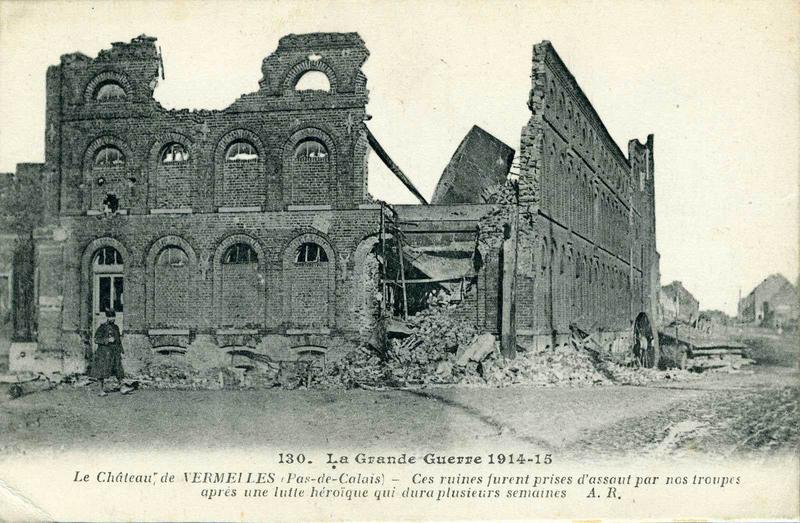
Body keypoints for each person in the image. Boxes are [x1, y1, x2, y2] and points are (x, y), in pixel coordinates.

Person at [91, 309, 125, 396]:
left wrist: (121, 350)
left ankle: (122, 387)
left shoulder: (116, 327)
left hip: (114, 352)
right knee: (101, 372)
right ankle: (100, 390)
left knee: (119, 370)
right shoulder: (102, 327)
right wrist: (107, 340)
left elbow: (118, 340)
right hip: (104, 353)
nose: (112, 319)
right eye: (110, 317)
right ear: (107, 317)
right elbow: (96, 339)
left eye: (113, 317)